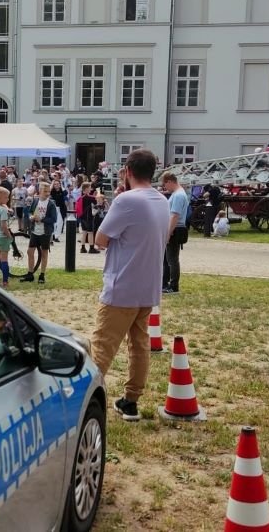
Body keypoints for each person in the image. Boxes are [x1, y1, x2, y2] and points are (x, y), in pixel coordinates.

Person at [91, 149, 169, 422]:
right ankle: (131, 400)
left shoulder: (126, 200)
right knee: (139, 344)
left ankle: (86, 401)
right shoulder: (162, 200)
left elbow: (100, 239)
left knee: (102, 345)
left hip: (122, 284)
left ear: (128, 171)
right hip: (147, 286)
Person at [20, 182, 57, 284]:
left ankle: (42, 274)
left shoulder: (51, 204)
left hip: (45, 232)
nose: (47, 193)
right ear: (40, 191)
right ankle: (30, 273)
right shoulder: (35, 201)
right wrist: (31, 217)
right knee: (30, 251)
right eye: (45, 191)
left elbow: (54, 219)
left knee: (44, 252)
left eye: (48, 191)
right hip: (35, 231)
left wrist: (42, 219)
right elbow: (30, 212)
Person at [160, 172, 188, 294]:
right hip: (175, 228)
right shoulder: (178, 194)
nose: (165, 188)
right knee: (168, 259)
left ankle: (173, 286)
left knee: (172, 260)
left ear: (169, 181)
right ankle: (166, 284)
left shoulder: (178, 195)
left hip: (175, 229)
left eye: (165, 185)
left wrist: (168, 232)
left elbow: (175, 215)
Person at [78, 182, 98, 253]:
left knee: (84, 232)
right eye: (89, 188)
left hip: (82, 217)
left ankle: (82, 248)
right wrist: (96, 195)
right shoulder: (90, 197)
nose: (90, 189)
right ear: (86, 189)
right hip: (88, 217)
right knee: (90, 232)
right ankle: (91, 248)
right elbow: (96, 202)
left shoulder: (81, 197)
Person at [50, 179, 68, 243]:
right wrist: (52, 183)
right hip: (54, 208)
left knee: (60, 223)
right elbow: (49, 191)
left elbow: (66, 193)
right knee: (54, 223)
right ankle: (53, 235)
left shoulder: (62, 190)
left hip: (61, 208)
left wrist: (61, 186)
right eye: (55, 184)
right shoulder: (52, 191)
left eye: (58, 184)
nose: (56, 185)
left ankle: (56, 236)